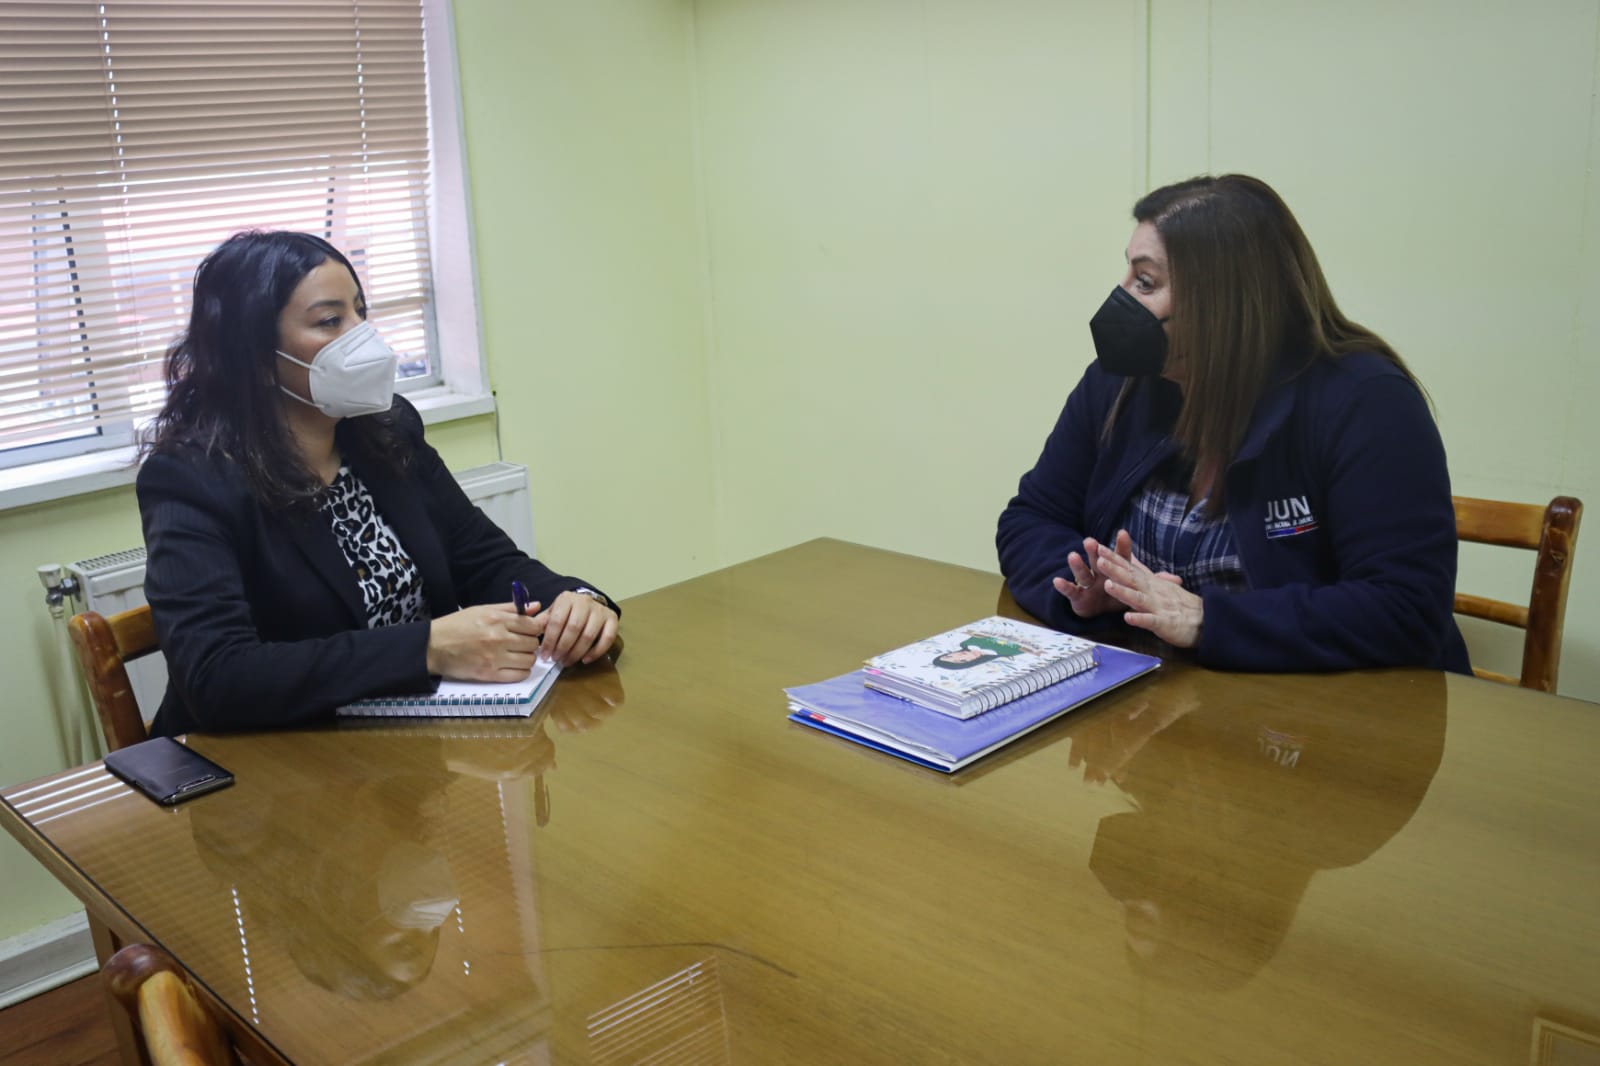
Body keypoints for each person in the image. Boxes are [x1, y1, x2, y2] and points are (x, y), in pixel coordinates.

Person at [138, 231, 619, 736]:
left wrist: (576, 602)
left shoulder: (389, 431)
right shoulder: (190, 477)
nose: (362, 336)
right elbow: (218, 678)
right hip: (266, 759)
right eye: (330, 321)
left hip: (400, 747)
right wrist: (427, 648)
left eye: (360, 312)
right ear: (255, 356)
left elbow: (484, 559)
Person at [996, 175, 1470, 673]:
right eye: (1129, 274)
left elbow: (1405, 607)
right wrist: (1090, 588)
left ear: (1222, 303)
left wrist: (1208, 621)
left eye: (1146, 282)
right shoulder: (1119, 383)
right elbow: (1029, 520)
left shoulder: (1366, 400)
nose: (1121, 297)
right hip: (1168, 695)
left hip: (1327, 707)